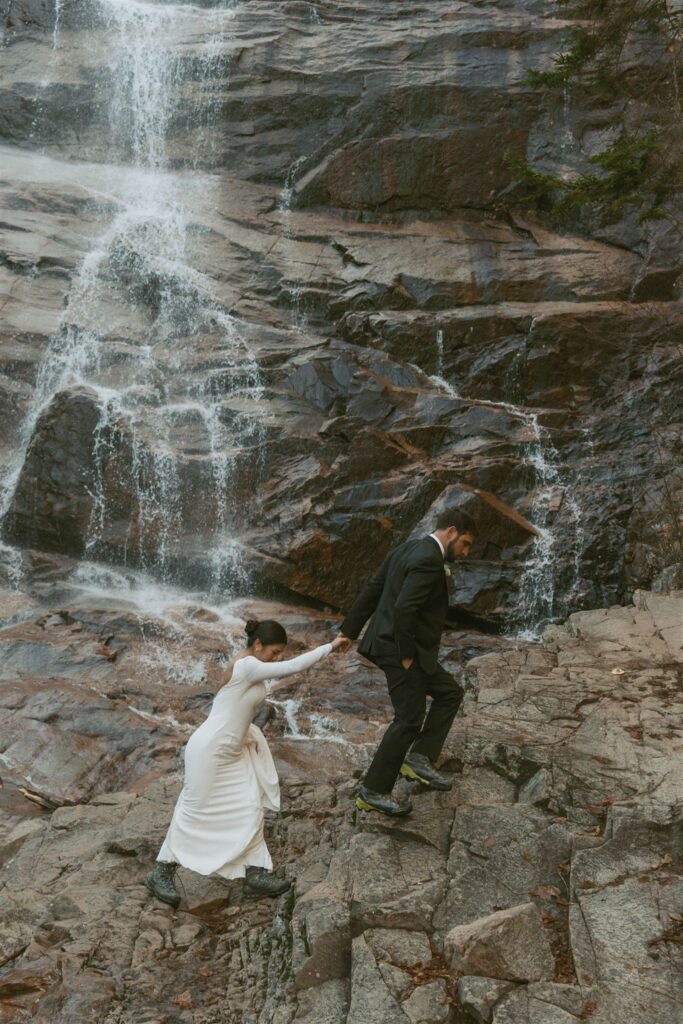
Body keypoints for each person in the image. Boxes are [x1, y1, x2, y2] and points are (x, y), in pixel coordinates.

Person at [145, 619, 351, 907]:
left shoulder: (249, 664)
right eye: (274, 651)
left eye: (280, 653)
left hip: (234, 749)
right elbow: (293, 667)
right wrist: (330, 646)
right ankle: (161, 872)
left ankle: (256, 874)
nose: (277, 657)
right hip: (211, 750)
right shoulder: (246, 666)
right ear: (257, 645)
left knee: (251, 804)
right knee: (193, 811)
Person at [341, 509, 477, 817]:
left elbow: (374, 587)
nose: (466, 552)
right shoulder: (430, 559)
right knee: (409, 718)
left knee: (449, 693)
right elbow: (404, 608)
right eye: (466, 544)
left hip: (401, 647)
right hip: (400, 649)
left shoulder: (406, 548)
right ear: (451, 531)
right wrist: (404, 655)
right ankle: (373, 791)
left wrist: (348, 631)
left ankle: (419, 758)